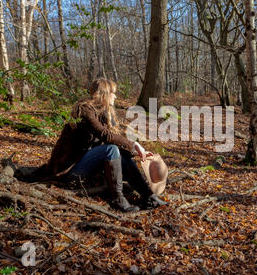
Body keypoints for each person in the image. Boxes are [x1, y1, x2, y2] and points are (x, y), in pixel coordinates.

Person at [40, 77, 168, 212]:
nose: (116, 96)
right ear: (105, 94)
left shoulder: (102, 112)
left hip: (84, 164)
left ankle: (148, 196)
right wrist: (134, 144)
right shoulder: (85, 111)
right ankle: (117, 199)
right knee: (110, 150)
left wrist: (134, 151)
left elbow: (111, 139)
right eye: (113, 93)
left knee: (123, 156)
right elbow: (105, 136)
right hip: (69, 171)